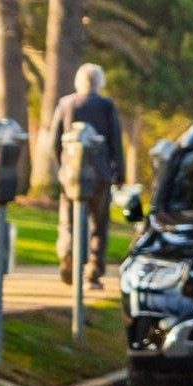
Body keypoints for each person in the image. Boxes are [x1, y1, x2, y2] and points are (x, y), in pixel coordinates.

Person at [46, 63, 121, 286]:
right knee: (98, 224)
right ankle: (94, 270)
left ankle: (69, 253)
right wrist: (120, 172)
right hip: (100, 174)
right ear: (100, 83)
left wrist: (64, 162)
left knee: (68, 221)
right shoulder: (106, 105)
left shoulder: (66, 104)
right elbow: (116, 141)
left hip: (71, 173)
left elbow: (54, 140)